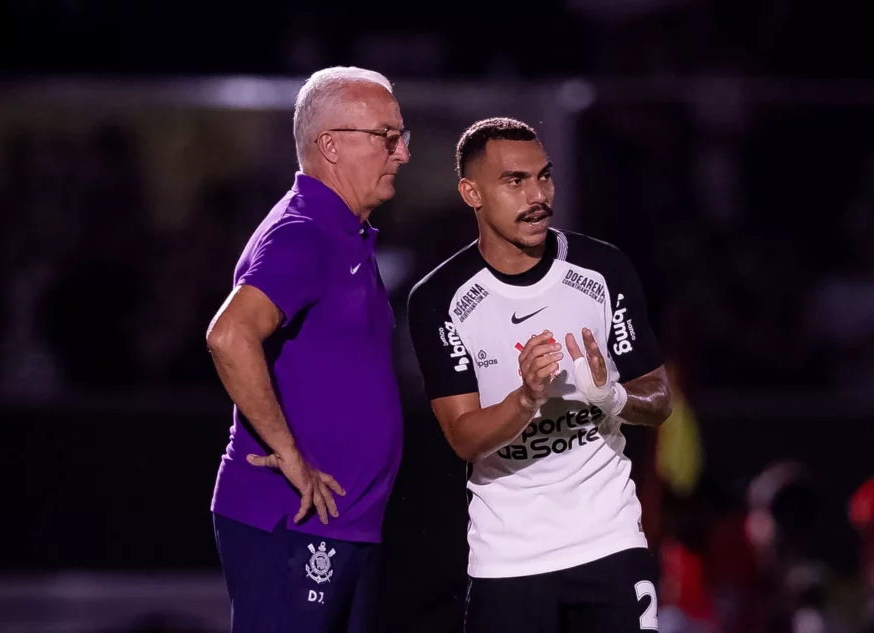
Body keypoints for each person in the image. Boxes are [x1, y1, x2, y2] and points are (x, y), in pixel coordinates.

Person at [407, 117, 673, 633]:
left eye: (544, 177)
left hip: (610, 539)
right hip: (509, 558)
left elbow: (659, 398)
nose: (538, 195)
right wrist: (525, 397)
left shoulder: (603, 269)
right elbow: (463, 438)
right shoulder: (440, 299)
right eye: (515, 181)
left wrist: (612, 397)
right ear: (471, 193)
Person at [206, 66, 410, 633]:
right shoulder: (304, 233)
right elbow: (229, 335)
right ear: (331, 146)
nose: (403, 153)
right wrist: (289, 455)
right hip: (294, 524)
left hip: (340, 525)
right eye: (387, 137)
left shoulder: (344, 233)